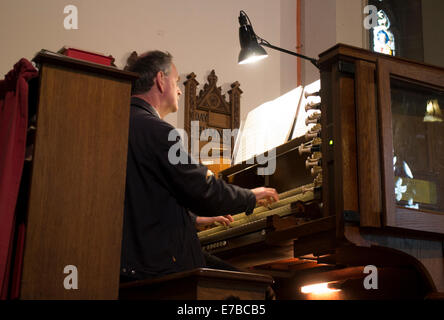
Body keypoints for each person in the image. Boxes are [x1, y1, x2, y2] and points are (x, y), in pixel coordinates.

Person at [120, 50, 278, 282]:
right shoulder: (159, 132)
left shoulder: (122, 121)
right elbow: (204, 190)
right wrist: (251, 196)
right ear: (160, 80)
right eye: (175, 82)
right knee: (261, 290)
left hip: (135, 262)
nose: (179, 89)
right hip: (159, 268)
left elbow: (146, 196)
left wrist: (193, 219)